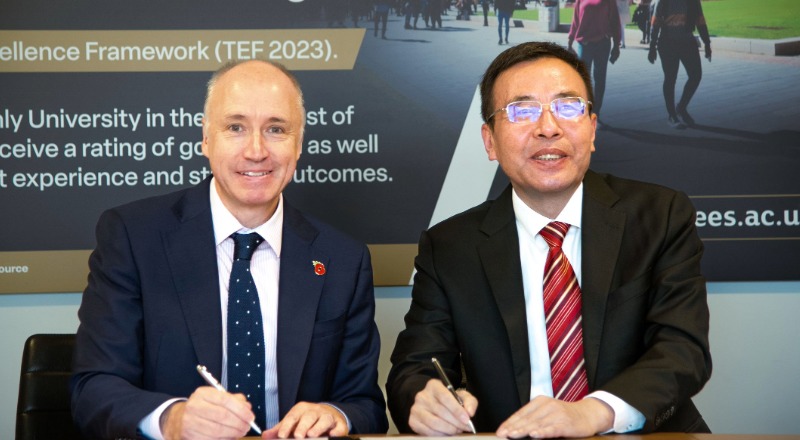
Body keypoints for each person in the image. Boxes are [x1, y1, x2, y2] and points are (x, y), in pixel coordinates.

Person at [386, 41, 711, 438]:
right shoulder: (450, 246)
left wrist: (593, 413)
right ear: (489, 141)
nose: (548, 127)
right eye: (522, 110)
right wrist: (426, 399)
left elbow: (682, 350)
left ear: (592, 129)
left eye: (568, 106)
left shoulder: (660, 215)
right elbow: (414, 368)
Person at [70, 60, 388, 440]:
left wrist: (335, 415)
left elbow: (365, 404)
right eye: (235, 127)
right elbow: (93, 389)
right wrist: (173, 420)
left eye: (276, 129)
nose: (256, 151)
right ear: (206, 138)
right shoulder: (132, 236)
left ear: (299, 144)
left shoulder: (343, 258)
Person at [648, 0, 711, 129]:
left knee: (696, 75)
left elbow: (700, 21)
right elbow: (655, 24)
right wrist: (652, 47)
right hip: (667, 43)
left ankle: (681, 107)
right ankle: (672, 115)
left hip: (687, 42)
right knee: (670, 78)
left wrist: (707, 43)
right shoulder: (662, 2)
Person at [567, 0, 622, 125]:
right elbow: (576, 19)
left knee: (600, 77)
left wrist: (617, 45)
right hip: (584, 44)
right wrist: (570, 40)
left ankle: (596, 112)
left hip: (603, 43)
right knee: (582, 79)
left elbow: (615, 21)